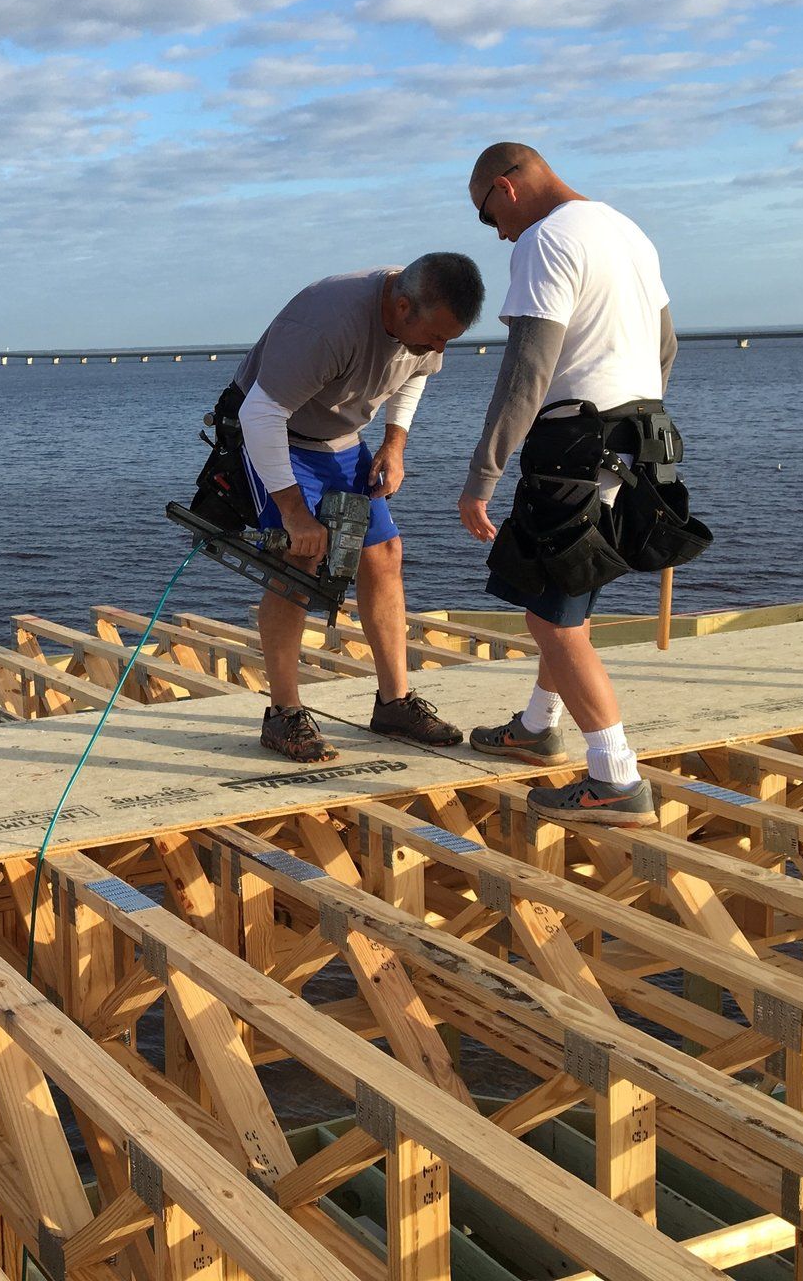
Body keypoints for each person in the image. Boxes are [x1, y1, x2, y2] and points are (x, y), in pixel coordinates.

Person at [458, 142, 683, 824]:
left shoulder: (545, 239)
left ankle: (616, 776)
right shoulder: (627, 231)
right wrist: (632, 419)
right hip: (636, 440)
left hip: (574, 447)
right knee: (565, 598)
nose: (498, 233)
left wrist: (482, 474)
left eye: (487, 215)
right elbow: (666, 346)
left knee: (549, 616)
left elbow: (527, 371)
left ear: (507, 188)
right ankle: (536, 725)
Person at [233, 253, 486, 762]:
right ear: (401, 306)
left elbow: (415, 374)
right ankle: (282, 714)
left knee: (384, 553)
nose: (439, 349)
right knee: (298, 560)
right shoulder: (328, 324)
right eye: (435, 336)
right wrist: (294, 512)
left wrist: (395, 442)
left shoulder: (423, 328)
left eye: (448, 339)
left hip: (340, 438)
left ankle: (394, 703)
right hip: (276, 434)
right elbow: (258, 413)